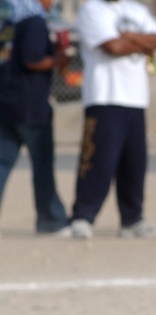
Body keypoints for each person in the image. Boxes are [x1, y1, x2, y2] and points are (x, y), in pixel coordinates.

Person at [65, 0, 156, 240]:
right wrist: (142, 42)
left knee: (135, 162)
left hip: (135, 98)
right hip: (104, 96)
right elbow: (113, 47)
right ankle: (83, 217)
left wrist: (129, 36)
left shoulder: (136, 10)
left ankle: (132, 219)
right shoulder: (92, 9)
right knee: (98, 160)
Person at [0, 0, 70, 235]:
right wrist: (59, 60)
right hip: (30, 107)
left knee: (2, 164)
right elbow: (33, 59)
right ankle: (51, 218)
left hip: (7, 103)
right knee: (42, 165)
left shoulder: (10, 23)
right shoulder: (34, 22)